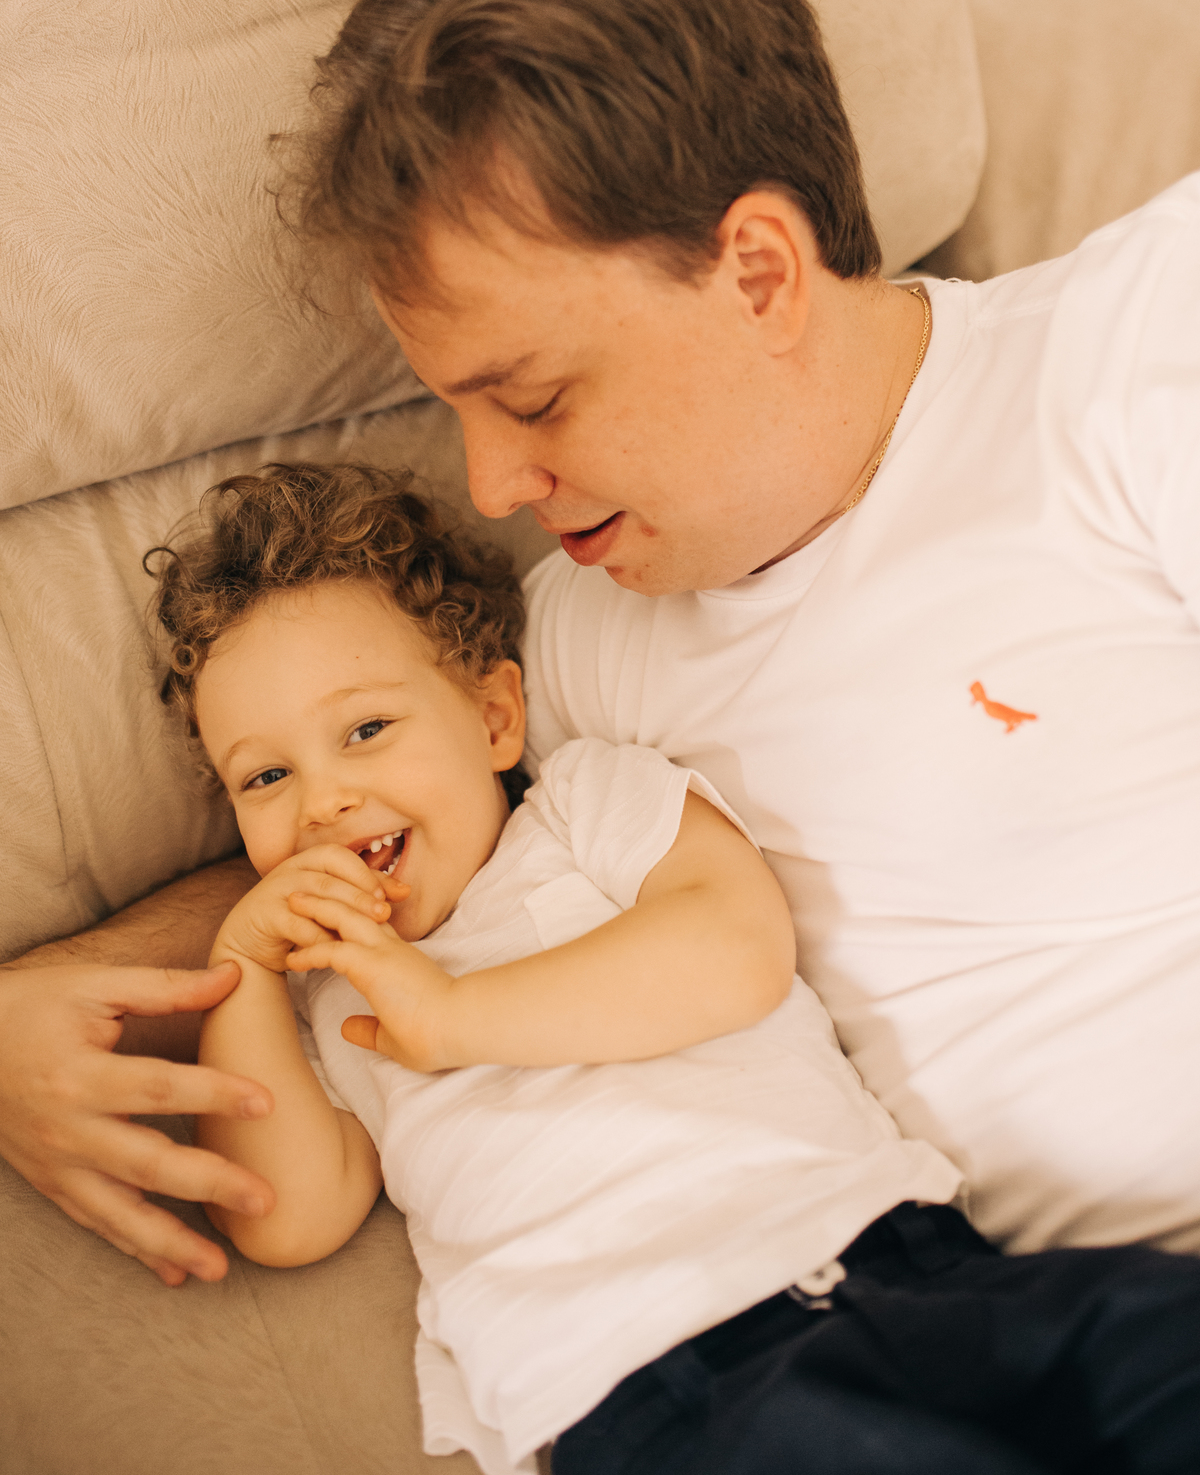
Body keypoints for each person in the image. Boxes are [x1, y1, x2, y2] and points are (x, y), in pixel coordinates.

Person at [3, 0, 1198, 1278]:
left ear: (757, 274)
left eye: (536, 398)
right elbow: (365, 816)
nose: (493, 486)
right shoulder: (578, 642)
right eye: (452, 409)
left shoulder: (1132, 349)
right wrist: (45, 995)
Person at [151, 459, 1200, 1475]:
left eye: (368, 729)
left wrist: (457, 1014)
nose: (323, 801)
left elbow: (736, 952)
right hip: (659, 1379)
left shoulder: (581, 809)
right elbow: (285, 1214)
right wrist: (243, 964)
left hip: (908, 1257)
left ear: (494, 717)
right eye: (266, 777)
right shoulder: (318, 988)